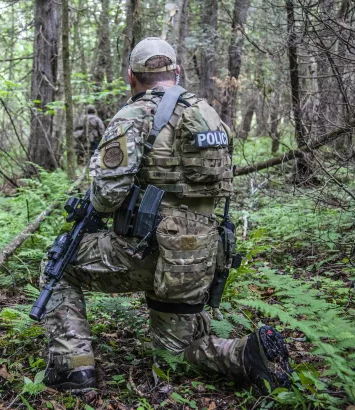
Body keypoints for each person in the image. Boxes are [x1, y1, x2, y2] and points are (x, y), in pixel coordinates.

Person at [40, 37, 292, 393]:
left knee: (59, 262)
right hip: (200, 257)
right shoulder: (207, 114)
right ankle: (245, 354)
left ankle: (73, 369)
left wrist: (98, 206)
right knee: (176, 354)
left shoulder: (135, 114)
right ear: (178, 71)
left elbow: (109, 194)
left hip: (150, 250)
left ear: (132, 77)